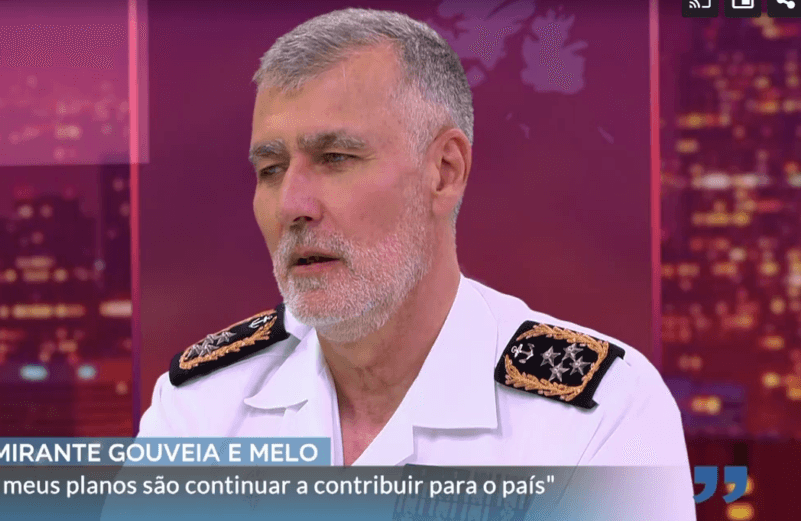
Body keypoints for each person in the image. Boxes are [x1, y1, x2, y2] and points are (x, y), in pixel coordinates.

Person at [137, 7, 694, 517]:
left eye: (336, 158)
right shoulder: (202, 406)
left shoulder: (597, 414)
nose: (291, 205)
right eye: (271, 169)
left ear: (445, 172)